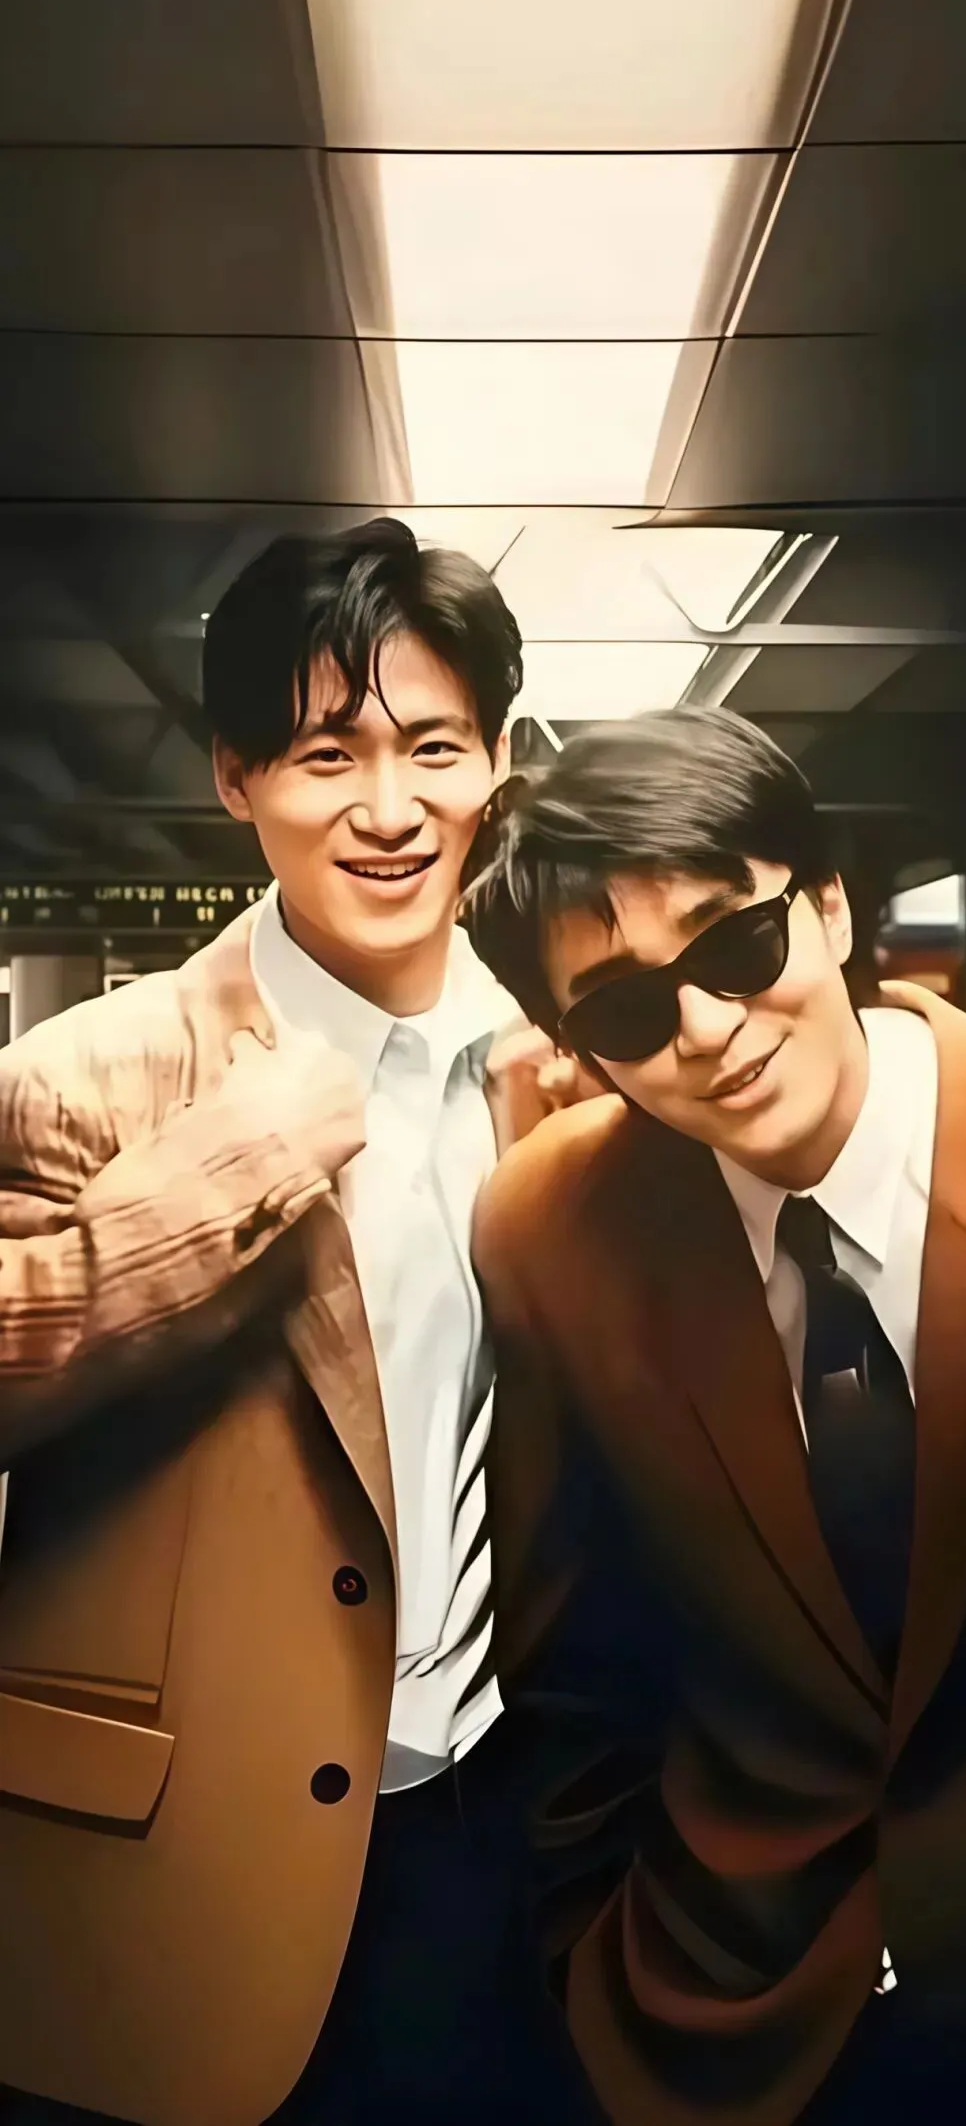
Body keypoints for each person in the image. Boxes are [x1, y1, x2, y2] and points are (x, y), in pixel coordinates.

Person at [0, 518, 600, 2126]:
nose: (389, 809)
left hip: (490, 1833)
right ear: (234, 776)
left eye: (434, 749)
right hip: (171, 1860)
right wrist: (233, 1173)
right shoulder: (89, 1073)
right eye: (328, 754)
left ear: (497, 763)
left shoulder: (559, 1071)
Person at [468, 706, 966, 2126]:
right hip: (732, 2019)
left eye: (736, 945)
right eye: (625, 1011)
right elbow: (574, 1663)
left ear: (829, 907)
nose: (706, 1030)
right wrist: (590, 1962)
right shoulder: (551, 1231)